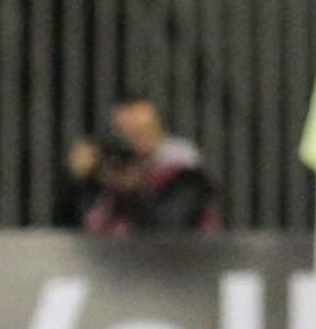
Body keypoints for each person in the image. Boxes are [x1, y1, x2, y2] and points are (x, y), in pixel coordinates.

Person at [80, 97, 219, 236]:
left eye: (141, 131)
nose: (131, 142)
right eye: (121, 133)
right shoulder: (104, 175)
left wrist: (130, 190)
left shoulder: (186, 177)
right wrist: (79, 179)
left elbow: (167, 230)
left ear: (159, 132)